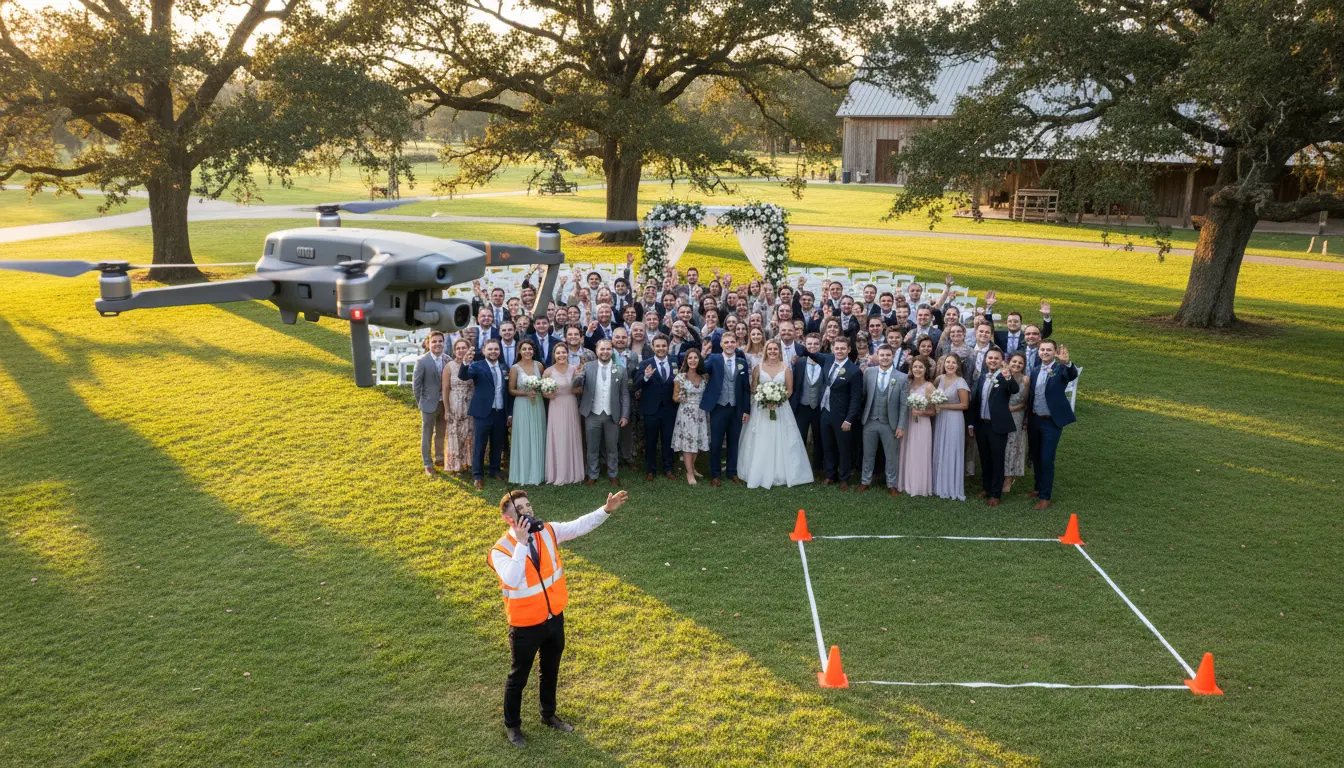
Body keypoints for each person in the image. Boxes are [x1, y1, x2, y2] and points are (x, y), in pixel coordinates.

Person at [490, 488, 629, 748]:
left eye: (528, 505)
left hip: (554, 617)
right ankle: (512, 726)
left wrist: (605, 510)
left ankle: (548, 714)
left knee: (550, 668)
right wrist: (521, 543)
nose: (528, 510)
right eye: (520, 508)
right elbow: (511, 578)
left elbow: (578, 526)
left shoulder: (547, 531)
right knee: (518, 676)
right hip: (525, 625)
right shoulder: (500, 550)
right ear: (508, 519)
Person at [738, 339, 814, 488]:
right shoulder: (758, 368)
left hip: (781, 408)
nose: (772, 352)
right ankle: (758, 471)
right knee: (761, 438)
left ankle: (782, 472)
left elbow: (790, 390)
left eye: (775, 349)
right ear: (765, 351)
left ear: (779, 351)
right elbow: (754, 388)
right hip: (761, 409)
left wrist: (777, 400)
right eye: (769, 349)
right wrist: (765, 400)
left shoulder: (786, 368)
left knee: (782, 438)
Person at [1025, 340, 1078, 510]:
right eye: (1042, 349)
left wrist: (1066, 363)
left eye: (1049, 350)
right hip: (1034, 419)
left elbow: (1072, 375)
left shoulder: (1061, 369)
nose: (1045, 352)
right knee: (1035, 456)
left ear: (1055, 352)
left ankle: (1045, 496)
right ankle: (1038, 487)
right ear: (1038, 352)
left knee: (1047, 458)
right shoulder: (1034, 370)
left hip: (1051, 422)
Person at [806, 335, 863, 490]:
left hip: (842, 415)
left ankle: (844, 477)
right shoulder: (827, 359)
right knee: (828, 445)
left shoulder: (854, 371)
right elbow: (809, 352)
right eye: (837, 348)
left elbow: (856, 398)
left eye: (843, 348)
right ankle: (830, 475)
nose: (839, 351)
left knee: (843, 447)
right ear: (832, 348)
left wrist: (849, 419)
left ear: (849, 350)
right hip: (825, 411)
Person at [459, 338, 512, 490]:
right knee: (480, 445)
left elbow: (506, 392)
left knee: (497, 443)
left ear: (499, 351)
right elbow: (463, 376)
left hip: (500, 411)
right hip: (483, 412)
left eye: (496, 349)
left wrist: (509, 413)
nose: (493, 352)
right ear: (483, 351)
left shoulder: (504, 367)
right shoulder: (477, 366)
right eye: (490, 349)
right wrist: (465, 363)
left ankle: (494, 470)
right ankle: (477, 475)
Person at [968, 348, 1019, 506]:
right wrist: (971, 423)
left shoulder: (1004, 376)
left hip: (997, 426)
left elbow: (1015, 390)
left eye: (996, 358)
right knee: (984, 457)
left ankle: (996, 493)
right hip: (982, 424)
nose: (993, 361)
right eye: (990, 358)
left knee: (997, 460)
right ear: (985, 360)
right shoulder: (982, 376)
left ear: (1001, 360)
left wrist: (1009, 377)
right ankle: (986, 487)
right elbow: (975, 401)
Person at [857, 345, 909, 495]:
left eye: (888, 355)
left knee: (891, 455)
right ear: (877, 357)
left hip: (890, 423)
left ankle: (891, 484)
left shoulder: (901, 377)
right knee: (868, 453)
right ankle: (865, 481)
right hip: (870, 421)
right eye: (882, 355)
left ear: (892, 357)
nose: (885, 358)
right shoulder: (869, 373)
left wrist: (900, 426)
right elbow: (864, 395)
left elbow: (903, 405)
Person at [701, 332, 751, 486]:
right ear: (721, 345)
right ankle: (715, 474)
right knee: (716, 443)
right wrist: (703, 355)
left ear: (736, 344)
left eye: (732, 342)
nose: (729, 344)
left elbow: (745, 388)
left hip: (736, 408)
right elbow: (701, 369)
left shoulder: (742, 361)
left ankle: (732, 471)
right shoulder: (714, 359)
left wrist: (746, 410)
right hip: (719, 407)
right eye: (726, 342)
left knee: (733, 442)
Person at [578, 340, 629, 487]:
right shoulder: (588, 367)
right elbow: (577, 383)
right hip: (592, 413)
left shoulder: (620, 369)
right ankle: (592, 474)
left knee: (612, 447)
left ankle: (613, 474)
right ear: (597, 350)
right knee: (592, 446)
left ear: (612, 350)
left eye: (608, 349)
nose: (605, 352)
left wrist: (624, 415)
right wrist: (577, 374)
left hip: (612, 414)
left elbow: (624, 394)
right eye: (602, 349)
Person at [634, 335, 679, 480]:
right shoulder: (645, 364)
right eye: (658, 346)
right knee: (651, 440)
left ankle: (668, 468)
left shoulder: (675, 362)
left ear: (668, 346)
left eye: (663, 346)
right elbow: (636, 384)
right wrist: (645, 377)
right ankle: (651, 470)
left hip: (669, 408)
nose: (661, 349)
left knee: (668, 440)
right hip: (651, 409)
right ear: (653, 347)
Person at [543, 342, 585, 485]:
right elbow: (543, 392)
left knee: (570, 436)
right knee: (558, 437)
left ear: (567, 354)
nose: (561, 355)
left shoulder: (574, 369)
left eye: (563, 352)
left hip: (570, 404)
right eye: (558, 353)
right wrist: (549, 395)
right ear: (554, 355)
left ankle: (573, 472)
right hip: (556, 406)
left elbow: (580, 389)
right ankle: (557, 473)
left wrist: (575, 390)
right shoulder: (548, 371)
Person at [931, 354, 970, 501]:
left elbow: (964, 405)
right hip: (940, 419)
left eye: (953, 362)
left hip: (954, 419)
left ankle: (951, 486)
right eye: (948, 362)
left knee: (951, 449)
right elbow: (932, 395)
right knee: (940, 448)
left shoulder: (961, 382)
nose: (950, 365)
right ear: (944, 364)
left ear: (958, 365)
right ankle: (938, 484)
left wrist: (942, 405)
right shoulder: (939, 379)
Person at [508, 339, 547, 485]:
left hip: (537, 404)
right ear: (519, 351)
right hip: (522, 405)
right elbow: (511, 390)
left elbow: (543, 385)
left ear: (534, 351)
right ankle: (522, 473)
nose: (527, 352)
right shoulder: (515, 368)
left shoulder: (539, 366)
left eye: (530, 349)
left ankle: (537, 473)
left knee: (537, 435)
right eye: (524, 349)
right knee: (523, 436)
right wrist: (525, 394)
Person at [897, 355, 936, 496]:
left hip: (922, 424)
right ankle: (904, 482)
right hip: (906, 422)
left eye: (920, 367)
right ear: (911, 368)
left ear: (925, 369)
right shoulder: (906, 383)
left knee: (919, 452)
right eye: (915, 367)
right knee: (905, 450)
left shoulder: (929, 386)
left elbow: (933, 411)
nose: (917, 369)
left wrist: (921, 411)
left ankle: (919, 485)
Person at [413, 330, 450, 477]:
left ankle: (439, 457)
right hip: (428, 404)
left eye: (440, 341)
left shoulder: (448, 359)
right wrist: (421, 403)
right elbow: (416, 386)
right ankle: (427, 463)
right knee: (427, 434)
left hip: (444, 403)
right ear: (428, 344)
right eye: (434, 341)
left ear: (443, 342)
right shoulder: (422, 361)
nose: (437, 344)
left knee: (441, 432)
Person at [671, 347, 710, 485]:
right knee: (688, 443)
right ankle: (688, 473)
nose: (693, 360)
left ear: (699, 360)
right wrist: (681, 397)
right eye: (690, 358)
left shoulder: (704, 377)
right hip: (686, 413)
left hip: (700, 412)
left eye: (695, 357)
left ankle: (693, 468)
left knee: (696, 441)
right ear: (686, 360)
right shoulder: (680, 377)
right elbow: (674, 397)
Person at [790, 332, 826, 475]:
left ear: (821, 344)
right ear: (805, 345)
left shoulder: (826, 361)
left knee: (819, 439)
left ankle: (817, 468)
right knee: (800, 437)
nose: (812, 346)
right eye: (809, 344)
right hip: (802, 406)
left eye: (815, 344)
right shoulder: (799, 363)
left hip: (819, 407)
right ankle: (799, 468)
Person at [442, 337, 475, 474]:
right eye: (458, 348)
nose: (461, 350)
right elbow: (445, 388)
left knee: (469, 434)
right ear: (454, 351)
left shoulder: (474, 365)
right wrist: (447, 409)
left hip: (471, 405)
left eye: (464, 348)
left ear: (468, 350)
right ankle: (455, 464)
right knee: (455, 434)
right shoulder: (449, 366)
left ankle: (469, 462)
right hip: (455, 404)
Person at [1001, 352, 1030, 495]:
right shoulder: (1003, 375)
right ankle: (1000, 474)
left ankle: (1009, 477)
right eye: (1014, 361)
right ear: (1009, 362)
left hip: (1016, 415)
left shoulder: (1026, 380)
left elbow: (1025, 402)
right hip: (1000, 415)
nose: (1017, 365)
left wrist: (1012, 408)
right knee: (1002, 444)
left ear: (1024, 366)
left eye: (1020, 363)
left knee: (1012, 445)